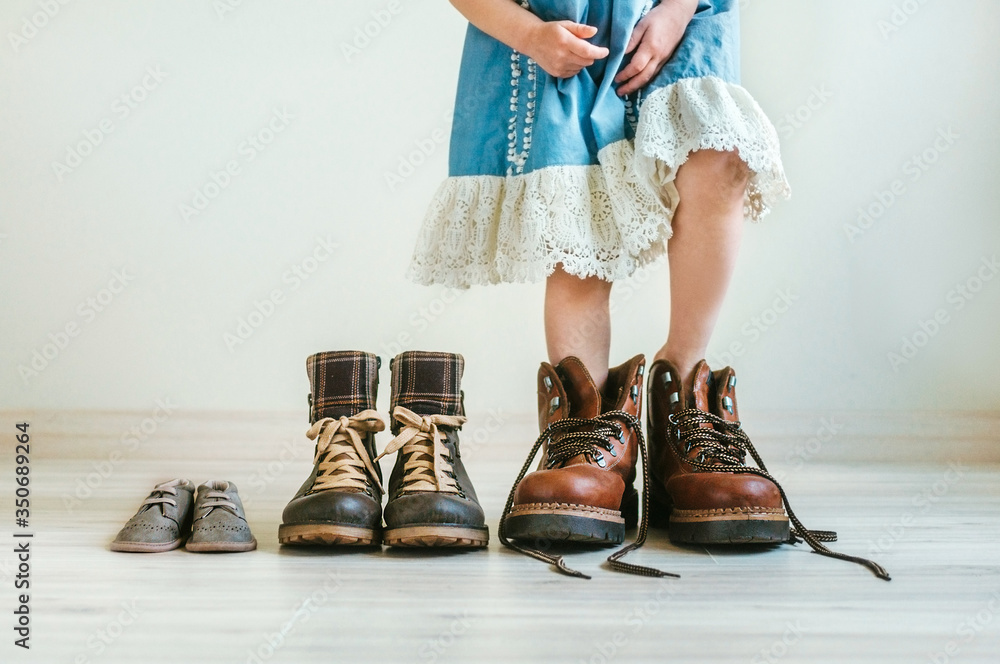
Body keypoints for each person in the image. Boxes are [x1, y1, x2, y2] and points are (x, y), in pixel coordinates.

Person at [408, 0, 889, 581]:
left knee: (720, 157)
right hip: (553, 27)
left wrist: (680, 10)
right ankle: (586, 432)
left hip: (672, 12)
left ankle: (683, 402)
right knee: (578, 213)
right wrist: (529, 34)